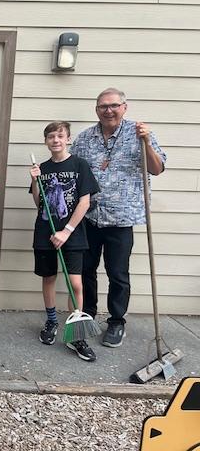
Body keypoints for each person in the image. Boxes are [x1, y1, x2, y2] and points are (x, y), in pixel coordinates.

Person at [71, 88, 166, 348]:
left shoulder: (139, 134)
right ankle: (88, 314)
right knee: (86, 269)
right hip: (89, 217)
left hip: (121, 218)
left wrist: (146, 143)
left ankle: (116, 321)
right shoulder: (84, 138)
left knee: (118, 273)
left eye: (114, 105)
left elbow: (157, 168)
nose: (108, 110)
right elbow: (72, 170)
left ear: (124, 107)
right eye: (103, 106)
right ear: (96, 110)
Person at [29, 122, 99, 361]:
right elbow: (39, 203)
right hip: (45, 231)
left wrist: (66, 231)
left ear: (68, 139)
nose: (55, 140)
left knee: (75, 283)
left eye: (60, 136)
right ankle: (51, 321)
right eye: (51, 136)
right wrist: (35, 181)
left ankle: (76, 334)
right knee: (48, 277)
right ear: (46, 141)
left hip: (72, 234)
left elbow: (84, 202)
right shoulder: (42, 168)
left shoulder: (79, 165)